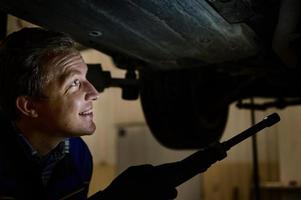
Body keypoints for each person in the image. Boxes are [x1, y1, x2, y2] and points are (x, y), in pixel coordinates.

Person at [0, 27, 179, 199]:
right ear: (29, 106)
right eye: (74, 83)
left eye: (85, 78)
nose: (94, 93)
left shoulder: (79, 155)